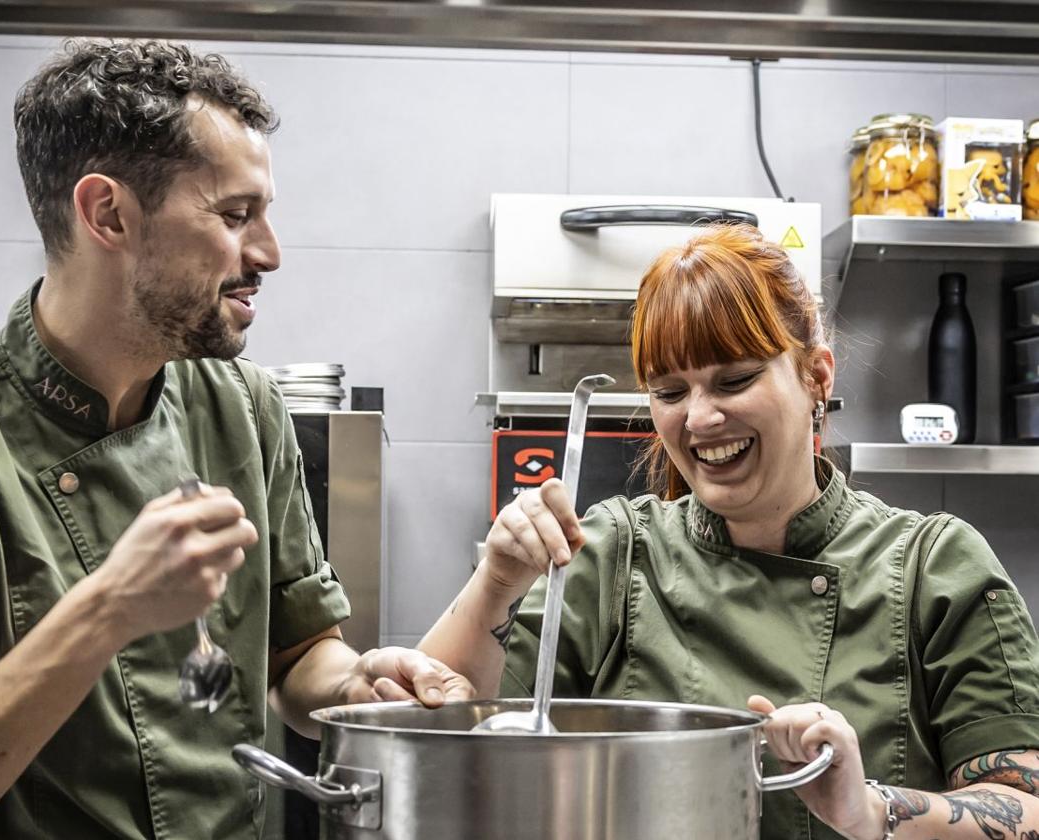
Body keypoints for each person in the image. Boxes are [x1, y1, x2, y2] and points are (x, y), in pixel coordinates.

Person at [0, 39, 471, 840]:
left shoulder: (242, 407)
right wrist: (106, 610)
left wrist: (357, 681)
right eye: (234, 215)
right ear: (108, 213)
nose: (269, 254)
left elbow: (296, 659)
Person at [420, 223, 1039, 839]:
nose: (700, 417)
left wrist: (872, 808)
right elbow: (439, 742)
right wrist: (497, 582)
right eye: (669, 391)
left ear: (816, 377)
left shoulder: (934, 565)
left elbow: (1026, 808)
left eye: (734, 379)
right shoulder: (611, 553)